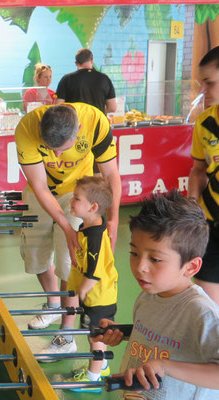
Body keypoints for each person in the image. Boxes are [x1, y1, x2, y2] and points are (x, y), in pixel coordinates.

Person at [14, 104, 121, 356]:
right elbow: (39, 186)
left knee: (70, 263)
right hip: (39, 193)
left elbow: (112, 174)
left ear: (78, 130)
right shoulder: (26, 128)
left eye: (62, 149)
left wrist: (113, 219)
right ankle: (53, 304)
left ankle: (67, 334)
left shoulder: (95, 121)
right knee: (35, 258)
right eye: (51, 150)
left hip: (78, 195)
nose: (58, 157)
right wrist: (64, 225)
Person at [94, 191, 219, 398]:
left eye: (155, 259)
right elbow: (167, 336)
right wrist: (125, 333)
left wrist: (164, 366)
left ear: (191, 267)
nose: (140, 267)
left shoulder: (201, 312)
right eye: (134, 253)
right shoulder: (148, 295)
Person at [61, 176, 117, 392]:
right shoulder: (88, 224)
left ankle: (92, 380)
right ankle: (101, 366)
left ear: (93, 207)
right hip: (95, 297)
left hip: (99, 297)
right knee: (93, 334)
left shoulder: (95, 236)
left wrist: (81, 291)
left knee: (97, 337)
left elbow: (94, 272)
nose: (71, 202)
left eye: (76, 198)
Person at [188, 45, 219, 305]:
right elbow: (198, 171)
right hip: (212, 224)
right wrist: (191, 206)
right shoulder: (204, 123)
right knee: (208, 306)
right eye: (202, 83)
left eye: (209, 83)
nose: (203, 90)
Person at [55, 48, 117, 114]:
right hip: (97, 122)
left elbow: (58, 106)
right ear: (92, 60)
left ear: (76, 63)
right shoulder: (104, 79)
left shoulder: (66, 79)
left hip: (76, 123)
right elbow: (112, 108)